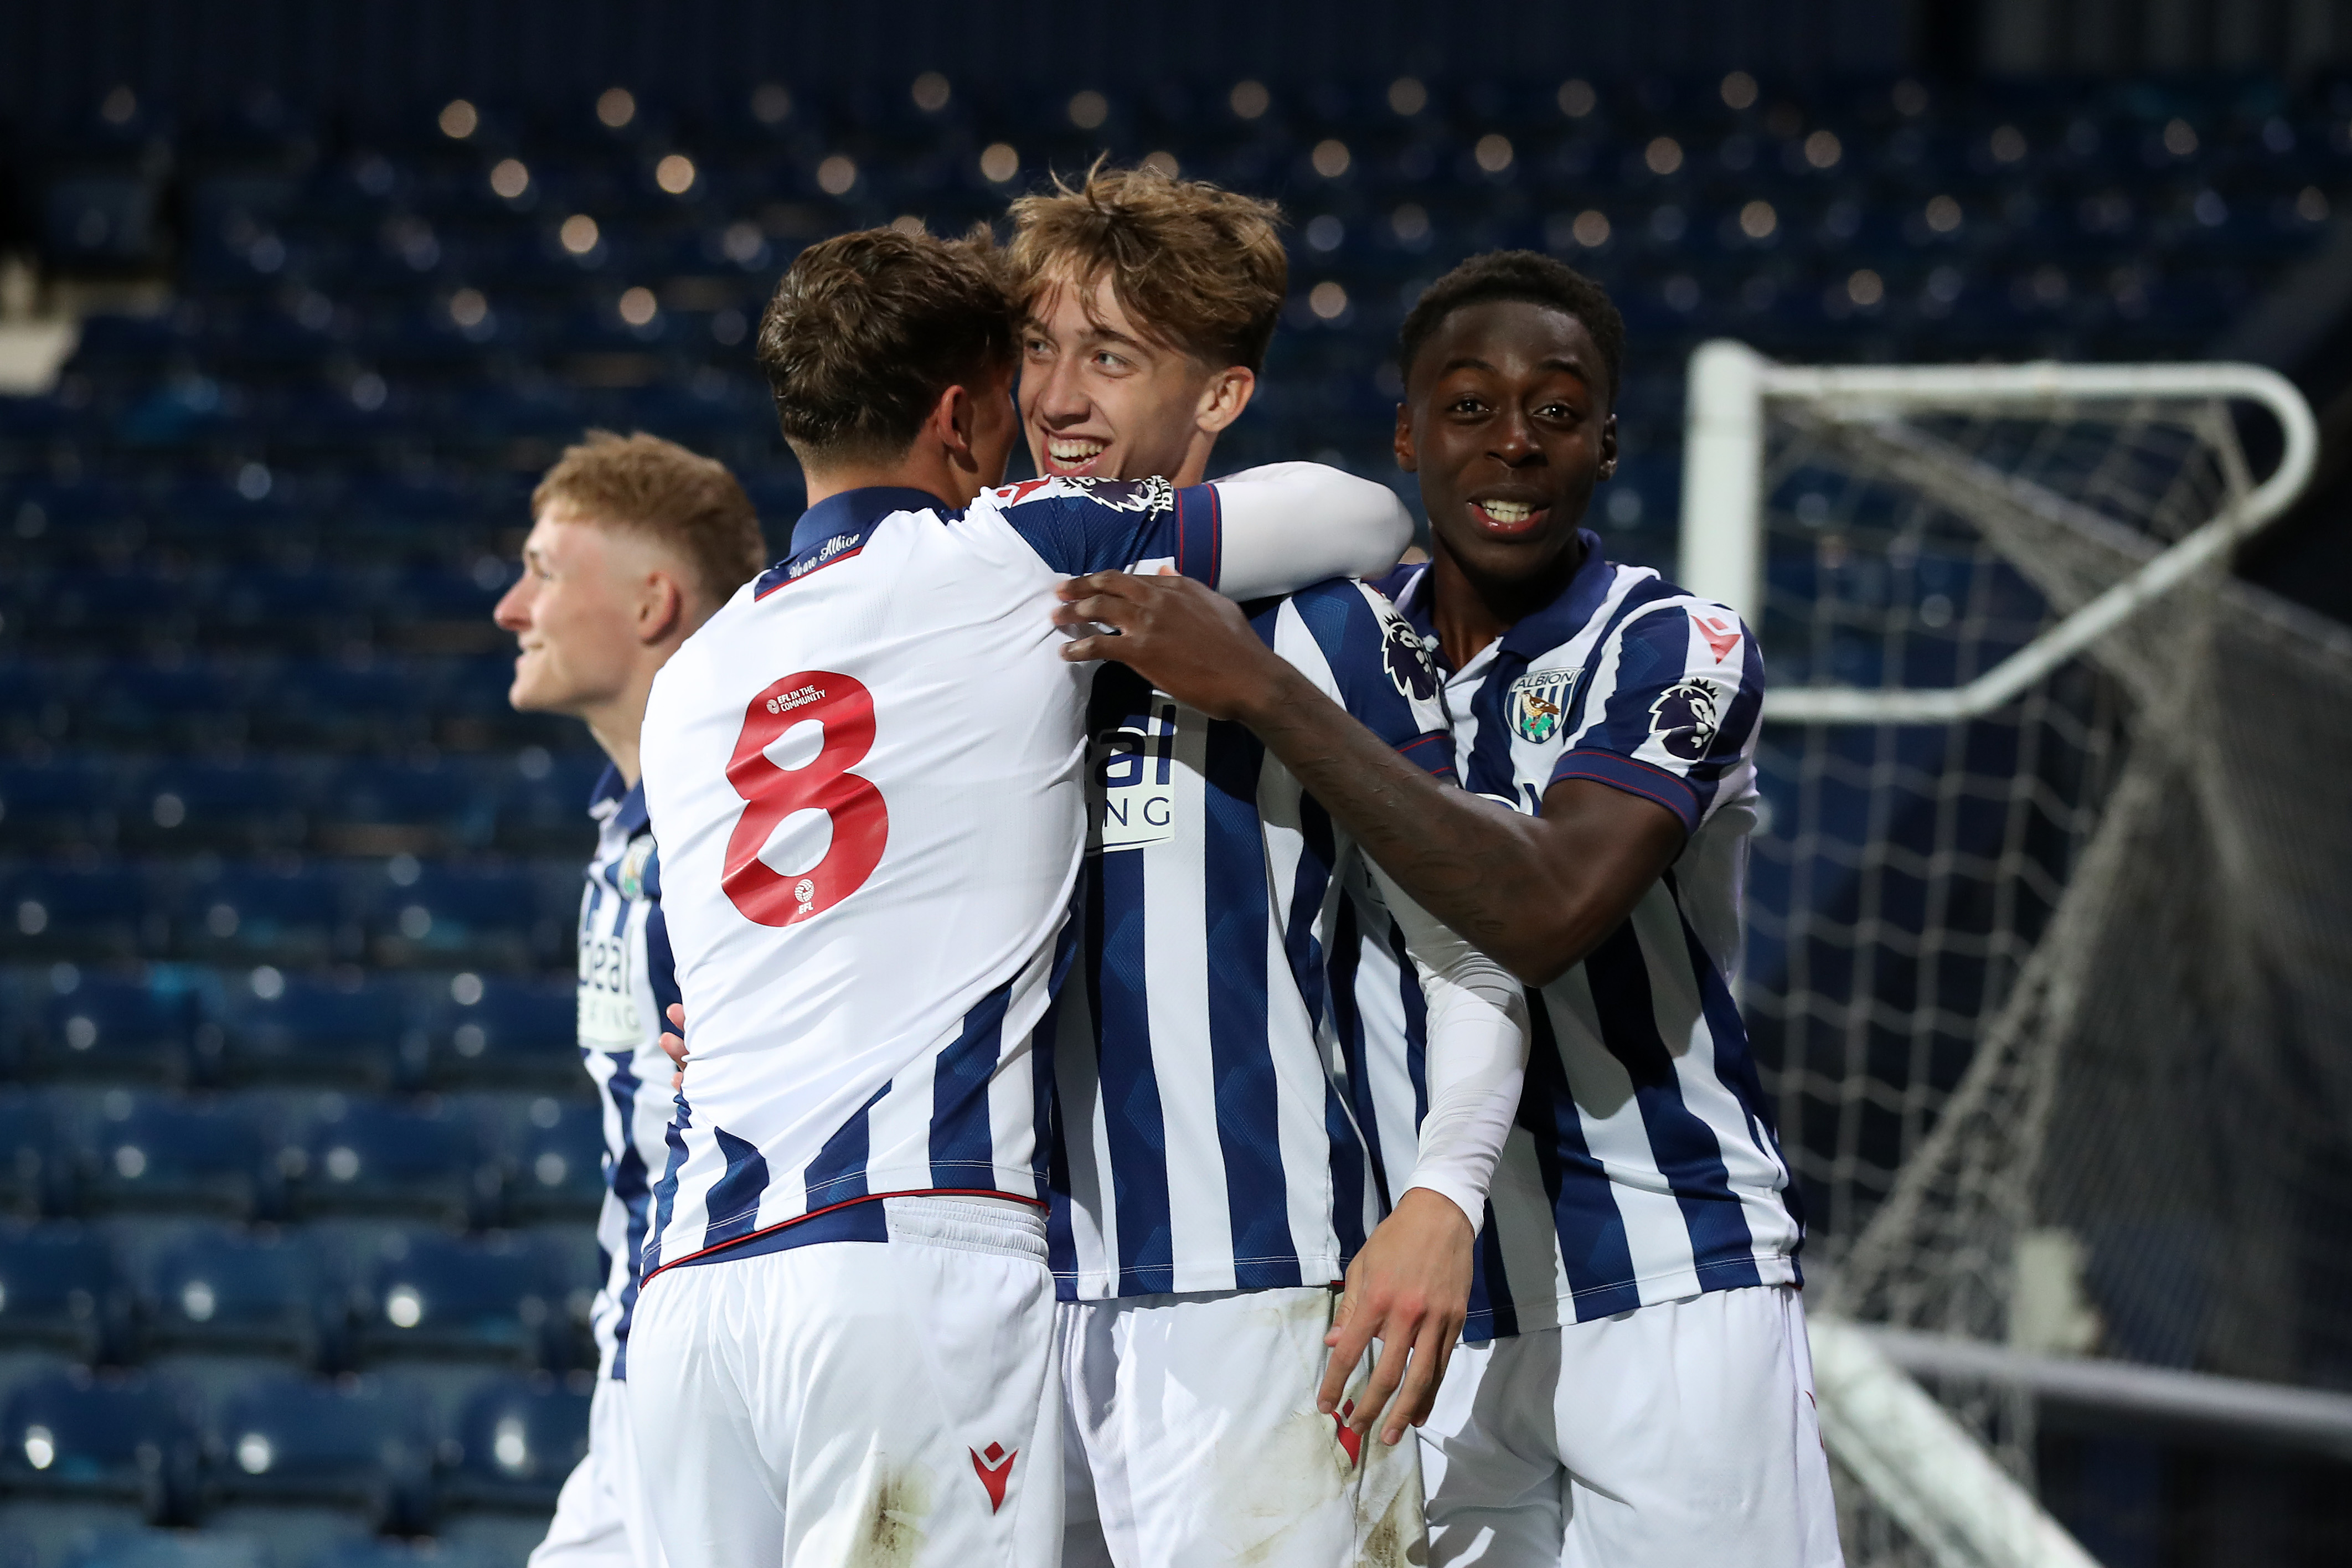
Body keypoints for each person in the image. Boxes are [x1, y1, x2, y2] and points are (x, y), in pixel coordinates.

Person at [625, 225, 1412, 1568]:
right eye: (1027, 366)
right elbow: (1370, 512)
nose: (1047, 406)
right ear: (960, 416)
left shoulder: (701, 670)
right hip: (900, 1262)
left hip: (692, 1297)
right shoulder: (1010, 551)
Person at [1051, 251, 1843, 1567]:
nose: (1514, 443)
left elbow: (1544, 912)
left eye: (1557, 410)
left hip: (1664, 1278)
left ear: (1604, 444)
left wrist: (1262, 694)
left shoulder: (1674, 647)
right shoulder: (1342, 634)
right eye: (1469, 408)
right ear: (1409, 437)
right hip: (1426, 1316)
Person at [1007, 165, 1529, 1567]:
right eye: (1039, 349)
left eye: (1111, 357)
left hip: (1254, 1293)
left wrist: (1440, 1198)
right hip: (1004, 1300)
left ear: (1220, 398)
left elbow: (1475, 935)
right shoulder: (980, 625)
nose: (1058, 396)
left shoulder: (1324, 630)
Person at [490, 429, 767, 1568]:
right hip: (639, 1360)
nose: (513, 607)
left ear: (655, 601)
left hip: (723, 1371)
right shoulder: (627, 822)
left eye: (546, 572)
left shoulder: (738, 827)